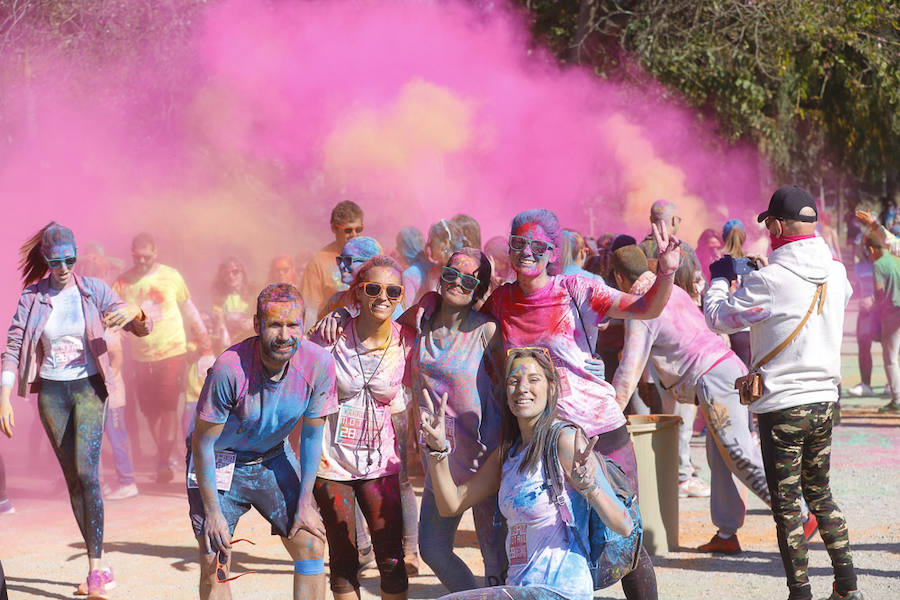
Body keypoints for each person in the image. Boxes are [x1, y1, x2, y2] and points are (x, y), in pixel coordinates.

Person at [408, 208, 679, 600]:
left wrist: (667, 271)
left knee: (622, 540)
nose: (527, 251)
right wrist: (429, 301)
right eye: (518, 243)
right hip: (537, 435)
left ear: (553, 251)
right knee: (545, 530)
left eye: (537, 245)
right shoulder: (501, 300)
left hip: (598, 430)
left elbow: (644, 308)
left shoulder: (575, 290)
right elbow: (461, 311)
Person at [607, 245, 820, 554]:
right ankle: (726, 534)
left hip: (714, 378)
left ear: (618, 277)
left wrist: (609, 412)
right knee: (721, 459)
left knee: (739, 454)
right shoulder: (670, 290)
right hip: (724, 368)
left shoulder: (643, 308)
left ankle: (799, 514)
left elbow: (629, 369)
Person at [705, 186, 862, 600]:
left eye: (769, 224)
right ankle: (848, 586)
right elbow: (831, 290)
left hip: (783, 407)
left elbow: (718, 319)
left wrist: (720, 280)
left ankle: (800, 592)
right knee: (821, 494)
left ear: (774, 225)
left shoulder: (770, 280)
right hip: (826, 401)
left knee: (788, 505)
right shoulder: (836, 270)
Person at [0, 222, 152, 599]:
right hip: (52, 392)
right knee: (73, 479)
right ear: (46, 260)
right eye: (56, 261)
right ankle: (98, 561)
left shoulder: (94, 290)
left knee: (88, 472)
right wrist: (3, 396)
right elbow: (14, 344)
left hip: (88, 387)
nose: (65, 267)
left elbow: (136, 325)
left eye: (70, 258)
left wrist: (137, 312)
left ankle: (96, 572)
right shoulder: (33, 297)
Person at [422, 347, 633, 600]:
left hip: (561, 591)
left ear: (551, 388)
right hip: (521, 588)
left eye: (534, 380)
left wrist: (590, 488)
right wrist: (438, 452)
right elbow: (451, 504)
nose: (522, 388)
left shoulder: (564, 440)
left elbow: (624, 525)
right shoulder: (508, 455)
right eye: (514, 381)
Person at [188, 283, 336, 600]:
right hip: (220, 462)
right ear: (258, 325)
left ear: (304, 325)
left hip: (273, 457)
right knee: (215, 558)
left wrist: (306, 501)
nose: (284, 335)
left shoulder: (318, 364)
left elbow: (312, 434)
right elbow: (201, 445)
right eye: (274, 325)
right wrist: (212, 512)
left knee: (310, 541)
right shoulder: (230, 370)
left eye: (292, 325)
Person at [309, 256, 414, 600]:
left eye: (392, 290)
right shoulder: (331, 337)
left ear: (401, 297)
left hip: (380, 464)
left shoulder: (407, 342)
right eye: (373, 288)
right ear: (357, 292)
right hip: (330, 462)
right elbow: (299, 373)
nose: (383, 297)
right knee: (343, 558)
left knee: (391, 559)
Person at [408, 249, 507, 591]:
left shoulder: (486, 332)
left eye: (469, 281)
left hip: (485, 464)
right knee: (433, 549)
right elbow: (376, 321)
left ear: (479, 290)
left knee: (496, 561)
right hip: (439, 462)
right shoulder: (418, 322)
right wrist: (425, 300)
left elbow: (512, 384)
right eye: (452, 274)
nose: (458, 284)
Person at [114, 232, 212, 483]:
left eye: (147, 257)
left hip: (171, 351)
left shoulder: (171, 277)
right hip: (141, 355)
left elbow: (188, 308)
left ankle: (163, 460)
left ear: (155, 252)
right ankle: (165, 454)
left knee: (168, 407)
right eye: (137, 257)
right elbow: (114, 315)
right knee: (150, 412)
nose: (142, 262)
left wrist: (204, 340)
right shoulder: (123, 283)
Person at [78, 255, 139, 501]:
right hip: (94, 392)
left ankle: (127, 481)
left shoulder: (107, 320)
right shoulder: (89, 317)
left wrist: (106, 382)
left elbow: (117, 357)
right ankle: (97, 484)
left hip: (111, 395)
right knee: (95, 440)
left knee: (116, 437)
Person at [300, 200, 365, 327]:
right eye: (348, 230)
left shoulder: (371, 254)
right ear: (334, 228)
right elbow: (310, 309)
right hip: (332, 333)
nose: (354, 235)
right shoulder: (318, 262)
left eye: (358, 229)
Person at [862, 233, 900, 412]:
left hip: (892, 314)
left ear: (871, 249)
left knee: (890, 358)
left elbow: (880, 293)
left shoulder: (879, 265)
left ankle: (897, 399)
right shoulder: (896, 259)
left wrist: (872, 306)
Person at [844, 243, 880, 397]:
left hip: (882, 311)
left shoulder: (881, 264)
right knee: (864, 346)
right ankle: (866, 384)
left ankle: (891, 384)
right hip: (864, 312)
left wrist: (874, 300)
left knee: (890, 348)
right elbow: (857, 290)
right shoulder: (859, 267)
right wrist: (858, 299)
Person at [318, 237, 383, 321]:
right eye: (340, 260)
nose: (341, 266)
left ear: (368, 264)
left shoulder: (384, 301)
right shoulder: (336, 300)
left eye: (348, 260)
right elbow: (314, 332)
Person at [720, 219, 752, 367]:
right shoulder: (751, 262)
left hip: (732, 329)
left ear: (724, 238)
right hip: (752, 328)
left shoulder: (721, 264)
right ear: (744, 237)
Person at [210, 257, 255, 349]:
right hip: (229, 345)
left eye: (235, 272)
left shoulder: (254, 294)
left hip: (250, 343)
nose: (231, 276)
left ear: (243, 274)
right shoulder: (220, 298)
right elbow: (218, 322)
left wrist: (253, 321)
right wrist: (222, 327)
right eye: (226, 273)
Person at [397, 227, 431, 310]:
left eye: (399, 246)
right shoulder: (433, 266)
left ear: (405, 248)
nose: (397, 249)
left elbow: (407, 308)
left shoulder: (408, 275)